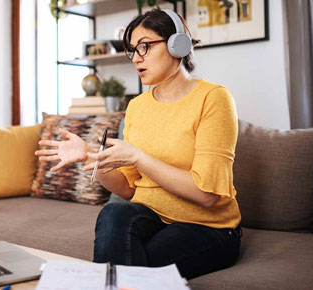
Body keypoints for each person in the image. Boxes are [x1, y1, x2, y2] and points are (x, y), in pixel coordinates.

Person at [35, 8, 242, 280]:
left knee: (131, 267)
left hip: (208, 227)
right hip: (151, 217)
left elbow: (207, 195)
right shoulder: (137, 107)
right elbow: (127, 189)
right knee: (113, 214)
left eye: (144, 46)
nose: (136, 58)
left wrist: (138, 157)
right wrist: (89, 158)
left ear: (176, 44)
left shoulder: (214, 98)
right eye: (132, 50)